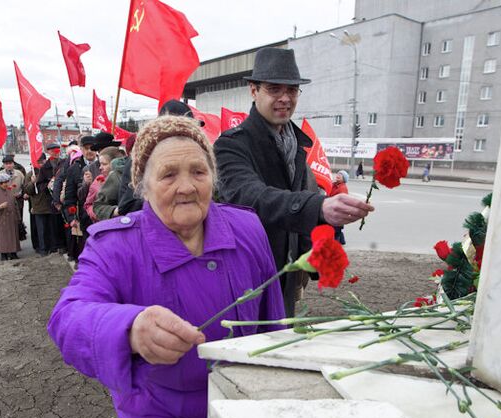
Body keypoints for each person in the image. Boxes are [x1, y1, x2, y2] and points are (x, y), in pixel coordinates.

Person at [48, 115, 284, 418]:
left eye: (198, 170)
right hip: (163, 417)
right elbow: (68, 317)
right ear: (142, 185)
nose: (186, 186)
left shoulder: (247, 229)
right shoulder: (116, 246)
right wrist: (130, 328)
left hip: (245, 407)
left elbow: (272, 322)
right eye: (168, 174)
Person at [214, 48, 374, 315]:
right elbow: (249, 197)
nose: (285, 98)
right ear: (254, 91)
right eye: (274, 89)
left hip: (285, 278)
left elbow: (299, 207)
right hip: (246, 275)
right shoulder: (232, 144)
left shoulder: (296, 145)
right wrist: (319, 207)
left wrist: (316, 260)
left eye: (292, 90)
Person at [117, 100, 200, 216]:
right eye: (169, 175)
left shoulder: (200, 156)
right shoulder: (142, 159)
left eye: (198, 172)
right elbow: (127, 206)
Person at [24, 149, 59, 256]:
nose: (40, 164)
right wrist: (32, 182)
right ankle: (43, 249)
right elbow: (27, 190)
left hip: (50, 204)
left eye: (42, 161)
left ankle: (53, 247)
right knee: (41, 230)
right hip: (38, 206)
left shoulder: (51, 170)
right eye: (38, 162)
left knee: (52, 229)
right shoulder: (31, 174)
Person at [85, 146, 121, 221]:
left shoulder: (124, 179)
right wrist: (97, 214)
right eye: (100, 164)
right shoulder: (98, 180)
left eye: (104, 164)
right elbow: (88, 204)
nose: (100, 167)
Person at [330, 171, 349, 245]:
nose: (338, 175)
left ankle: (336, 244)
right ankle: (341, 241)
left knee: (336, 229)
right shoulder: (333, 184)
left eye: (340, 175)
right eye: (338, 174)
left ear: (344, 179)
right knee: (336, 228)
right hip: (332, 209)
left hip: (338, 212)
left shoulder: (343, 188)